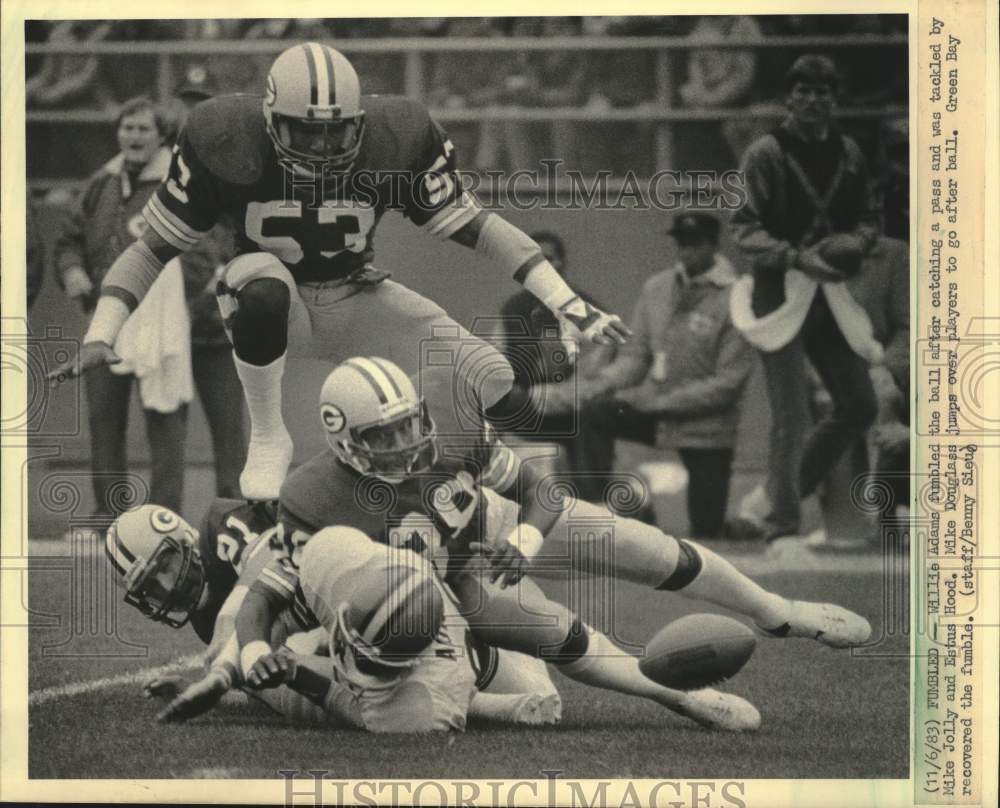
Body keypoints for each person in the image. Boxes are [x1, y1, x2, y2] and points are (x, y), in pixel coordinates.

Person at [49, 42, 630, 503]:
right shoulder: (223, 135)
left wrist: (565, 301)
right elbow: (150, 250)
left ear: (360, 120)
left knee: (488, 373)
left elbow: (480, 227)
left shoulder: (396, 134)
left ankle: (497, 487)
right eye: (305, 130)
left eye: (336, 129)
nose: (322, 144)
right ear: (270, 121)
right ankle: (270, 434)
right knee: (262, 287)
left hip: (354, 295)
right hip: (270, 299)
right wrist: (103, 331)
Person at [107, 502, 562, 729]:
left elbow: (267, 566)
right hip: (356, 632)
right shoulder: (206, 620)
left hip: (398, 586)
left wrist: (235, 617)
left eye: (165, 564)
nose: (166, 584)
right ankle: (472, 698)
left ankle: (481, 663)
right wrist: (217, 685)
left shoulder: (218, 528)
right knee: (286, 670)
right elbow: (264, 673)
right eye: (150, 586)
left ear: (184, 539)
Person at [729, 54, 881, 544]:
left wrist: (857, 241)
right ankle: (783, 524)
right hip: (779, 289)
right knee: (790, 415)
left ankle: (784, 492)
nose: (813, 100)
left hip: (830, 291)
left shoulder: (849, 152)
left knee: (859, 404)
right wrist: (795, 257)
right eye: (804, 91)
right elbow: (743, 229)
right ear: (789, 99)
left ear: (834, 101)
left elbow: (869, 216)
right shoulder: (766, 153)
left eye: (823, 93)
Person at [574, 213, 753, 538]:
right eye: (681, 243)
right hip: (656, 416)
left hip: (707, 428)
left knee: (707, 530)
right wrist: (603, 382)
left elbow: (728, 384)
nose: (687, 251)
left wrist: (661, 403)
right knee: (594, 412)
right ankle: (608, 503)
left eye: (695, 244)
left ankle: (743, 526)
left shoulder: (736, 296)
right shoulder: (657, 287)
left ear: (713, 245)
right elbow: (636, 356)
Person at [53, 97, 188, 521]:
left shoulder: (178, 181)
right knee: (105, 419)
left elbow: (203, 246)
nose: (133, 136)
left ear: (161, 136)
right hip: (105, 320)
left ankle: (164, 519)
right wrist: (73, 270)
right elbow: (69, 238)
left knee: (165, 415)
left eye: (143, 128)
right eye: (127, 128)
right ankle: (107, 516)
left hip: (162, 319)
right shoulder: (102, 181)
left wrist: (182, 299)